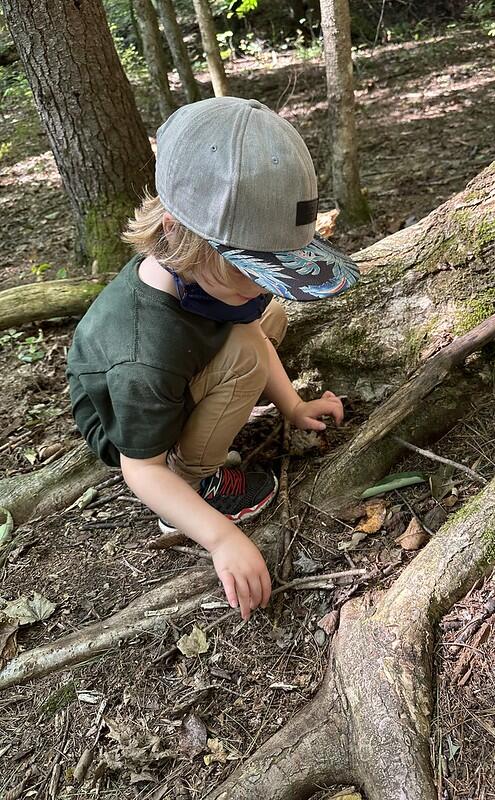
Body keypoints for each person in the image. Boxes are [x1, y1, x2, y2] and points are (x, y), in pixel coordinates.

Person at [67, 97, 359, 621]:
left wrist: (292, 407)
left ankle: (218, 411)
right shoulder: (143, 355)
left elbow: (246, 318)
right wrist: (222, 539)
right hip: (135, 428)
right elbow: (140, 470)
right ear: (180, 232)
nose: (263, 285)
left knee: (265, 321)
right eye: (252, 268)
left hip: (178, 364)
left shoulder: (203, 279)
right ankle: (194, 483)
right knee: (248, 350)